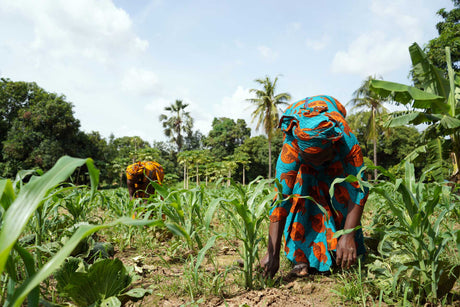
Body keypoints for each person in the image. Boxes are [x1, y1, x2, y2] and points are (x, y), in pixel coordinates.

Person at [260, 95, 369, 278]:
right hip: (307, 162)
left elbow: (359, 188)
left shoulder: (344, 139)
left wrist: (348, 234)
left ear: (332, 146)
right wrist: (272, 253)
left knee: (342, 193)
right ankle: (302, 257)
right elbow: (280, 202)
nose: (319, 164)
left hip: (336, 159)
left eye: (322, 158)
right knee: (301, 193)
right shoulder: (291, 148)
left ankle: (344, 248)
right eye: (313, 159)